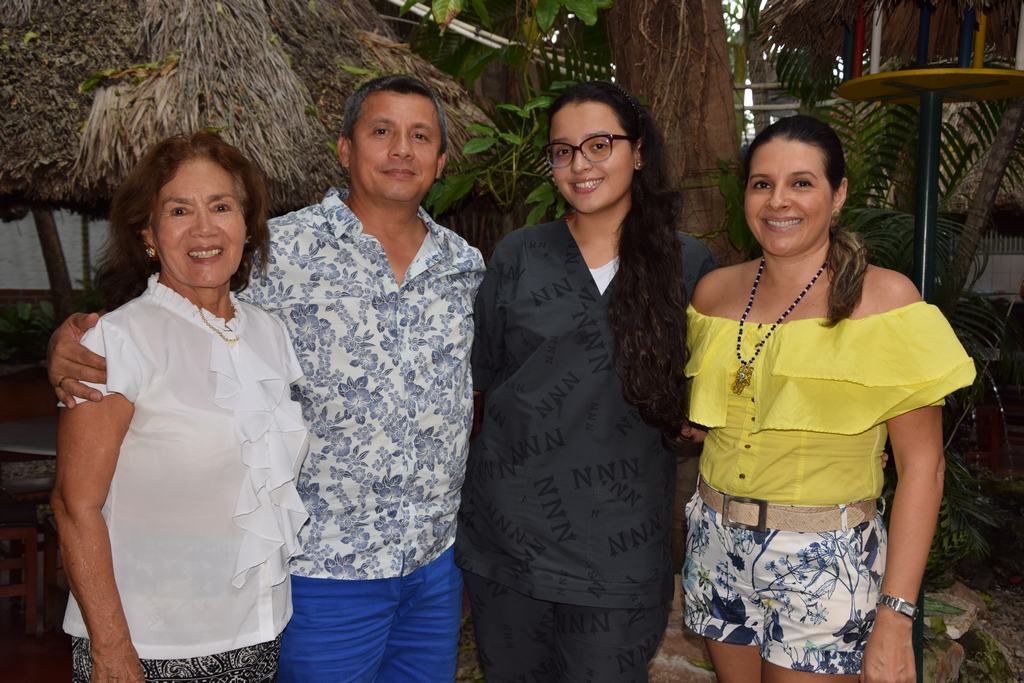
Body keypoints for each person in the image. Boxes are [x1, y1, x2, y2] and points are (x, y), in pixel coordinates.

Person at [48, 75, 485, 682]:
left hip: (432, 567)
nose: (401, 150)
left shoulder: (465, 266)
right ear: (344, 149)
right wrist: (70, 339)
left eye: (420, 137)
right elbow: (166, 306)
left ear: (440, 160)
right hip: (320, 570)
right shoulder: (280, 251)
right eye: (381, 131)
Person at [681, 115, 975, 682]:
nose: (778, 201)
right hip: (715, 543)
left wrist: (895, 618)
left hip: (824, 557)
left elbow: (923, 469)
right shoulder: (714, 294)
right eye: (761, 183)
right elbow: (722, 413)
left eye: (802, 182)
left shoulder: (885, 302)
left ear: (837, 194)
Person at [456, 81, 715, 682]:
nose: (580, 164)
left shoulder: (688, 264)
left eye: (599, 144)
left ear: (640, 152)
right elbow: (479, 385)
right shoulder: (519, 255)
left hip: (619, 552)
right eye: (563, 150)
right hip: (508, 545)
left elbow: (705, 399)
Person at [51, 132, 309, 682]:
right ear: (148, 233)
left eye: (221, 206)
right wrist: (113, 650)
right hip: (149, 647)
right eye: (178, 210)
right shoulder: (115, 342)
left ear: (245, 225)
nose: (204, 229)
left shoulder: (270, 333)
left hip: (259, 634)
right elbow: (75, 507)